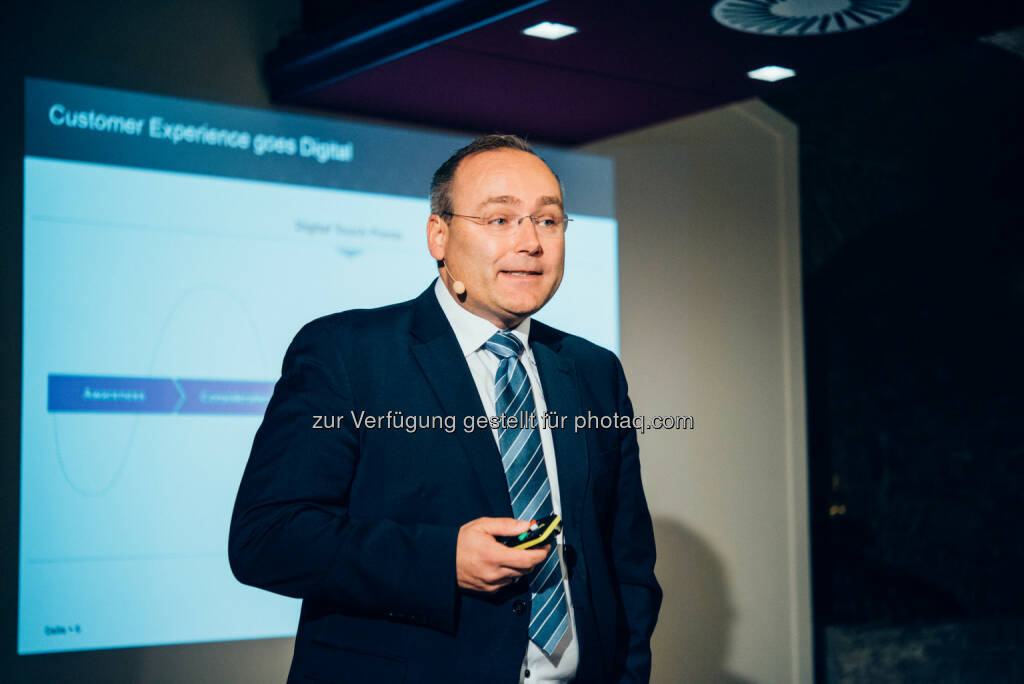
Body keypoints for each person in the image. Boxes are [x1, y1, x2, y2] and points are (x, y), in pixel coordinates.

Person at [229, 134, 661, 683]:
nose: (530, 242)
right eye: (500, 220)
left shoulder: (593, 370)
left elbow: (627, 565)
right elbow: (266, 538)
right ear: (439, 235)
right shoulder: (347, 352)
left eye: (548, 222)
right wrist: (441, 560)